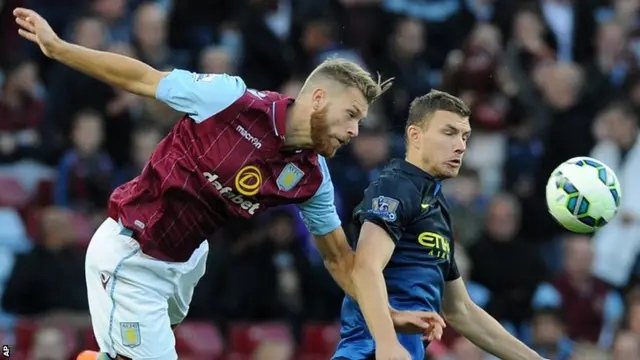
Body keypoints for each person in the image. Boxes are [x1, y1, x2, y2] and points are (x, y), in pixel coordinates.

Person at [13, 7, 446, 360]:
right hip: (131, 254)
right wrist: (60, 48)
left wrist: (384, 316)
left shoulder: (312, 178)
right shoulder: (230, 100)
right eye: (351, 115)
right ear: (318, 99)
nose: (354, 132)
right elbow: (142, 78)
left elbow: (341, 261)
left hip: (186, 261)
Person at [333, 90, 548, 360]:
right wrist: (387, 344)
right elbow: (365, 268)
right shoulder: (395, 186)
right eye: (449, 132)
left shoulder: (436, 207)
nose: (460, 145)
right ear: (415, 135)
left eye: (465, 136)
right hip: (370, 352)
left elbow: (460, 310)